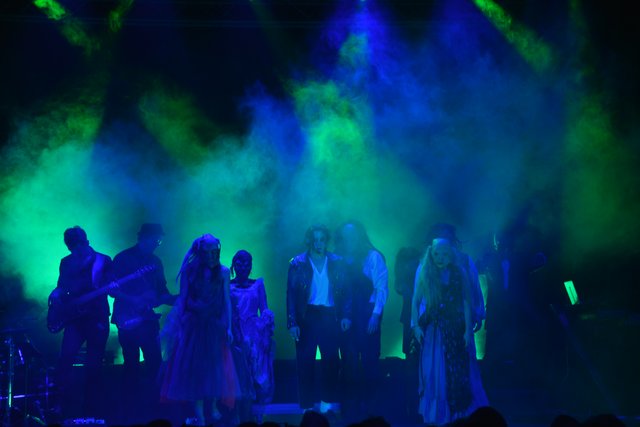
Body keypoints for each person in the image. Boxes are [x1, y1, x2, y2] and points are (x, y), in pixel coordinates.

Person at [160, 234, 239, 426]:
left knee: (215, 367)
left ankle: (212, 406)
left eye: (215, 252)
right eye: (207, 252)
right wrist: (178, 325)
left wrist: (229, 327)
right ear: (200, 252)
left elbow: (227, 301)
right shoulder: (189, 271)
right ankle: (200, 413)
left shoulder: (223, 272)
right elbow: (183, 299)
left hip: (214, 325)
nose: (212, 256)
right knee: (195, 370)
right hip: (193, 325)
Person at [411, 237, 489, 425]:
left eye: (445, 254)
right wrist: (416, 326)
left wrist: (468, 330)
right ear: (431, 254)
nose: (440, 258)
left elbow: (466, 302)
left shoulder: (459, 272)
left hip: (455, 327)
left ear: (451, 255)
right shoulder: (426, 272)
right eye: (437, 254)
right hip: (434, 328)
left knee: (456, 370)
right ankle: (437, 414)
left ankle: (457, 413)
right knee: (435, 370)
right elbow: (415, 300)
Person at [110, 223, 176, 423]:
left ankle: (155, 413)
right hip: (127, 320)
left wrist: (181, 299)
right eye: (155, 240)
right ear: (143, 237)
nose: (157, 243)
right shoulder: (122, 258)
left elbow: (162, 292)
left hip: (147, 320)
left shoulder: (156, 261)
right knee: (131, 364)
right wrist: (135, 300)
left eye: (159, 240)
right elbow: (111, 289)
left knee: (154, 363)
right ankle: (131, 413)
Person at [286, 224, 351, 412]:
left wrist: (346, 315)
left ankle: (326, 402)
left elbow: (346, 291)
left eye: (322, 239)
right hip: (307, 315)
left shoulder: (337, 262)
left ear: (326, 241)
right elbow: (291, 294)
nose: (318, 243)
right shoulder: (298, 263)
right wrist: (292, 322)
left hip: (330, 315)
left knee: (331, 361)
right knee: (305, 362)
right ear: (309, 241)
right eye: (315, 240)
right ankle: (307, 406)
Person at [49, 226, 112, 418]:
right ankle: (61, 407)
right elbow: (62, 286)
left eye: (79, 247)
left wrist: (114, 287)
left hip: (97, 318)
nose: (76, 252)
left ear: (86, 243)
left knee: (94, 364)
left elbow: (111, 288)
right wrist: (56, 294)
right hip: (75, 319)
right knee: (65, 359)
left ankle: (92, 412)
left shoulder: (103, 260)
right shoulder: (66, 262)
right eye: (72, 249)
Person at [334, 221, 388, 420]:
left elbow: (381, 288)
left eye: (353, 235)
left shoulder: (373, 257)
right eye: (346, 236)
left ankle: (370, 410)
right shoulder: (338, 258)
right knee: (348, 363)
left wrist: (375, 315)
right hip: (347, 317)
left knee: (369, 361)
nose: (349, 239)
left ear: (359, 236)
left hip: (367, 314)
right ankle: (350, 410)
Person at [229, 250, 275, 423]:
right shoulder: (228, 285)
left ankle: (257, 415)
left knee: (258, 372)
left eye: (246, 264)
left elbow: (264, 309)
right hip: (235, 332)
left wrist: (266, 334)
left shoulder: (258, 284)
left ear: (251, 265)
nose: (243, 268)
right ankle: (238, 414)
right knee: (237, 374)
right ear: (234, 266)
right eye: (239, 264)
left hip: (255, 333)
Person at [393, 246, 422, 422]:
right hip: (415, 320)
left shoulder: (403, 274)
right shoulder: (412, 273)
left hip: (414, 320)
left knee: (413, 364)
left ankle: (413, 408)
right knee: (414, 365)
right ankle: (414, 408)